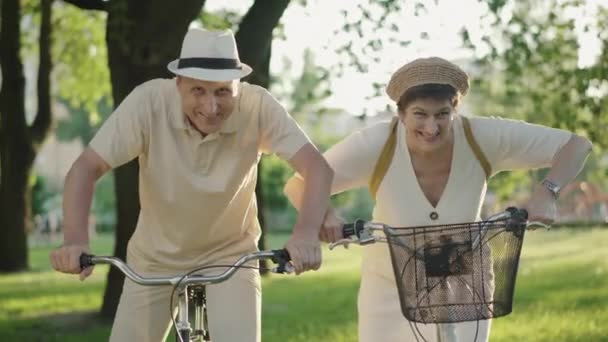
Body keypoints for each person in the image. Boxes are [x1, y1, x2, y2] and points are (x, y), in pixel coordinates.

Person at [49, 28, 333, 342]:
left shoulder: (258, 106)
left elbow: (316, 168)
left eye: (223, 92)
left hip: (231, 255)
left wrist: (305, 233)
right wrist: (75, 240)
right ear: (178, 84)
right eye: (198, 90)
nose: (211, 107)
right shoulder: (148, 102)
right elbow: (85, 168)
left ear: (238, 86)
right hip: (154, 260)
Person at [284, 57, 592, 341]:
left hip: (464, 287)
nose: (431, 128)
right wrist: (325, 216)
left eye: (442, 114)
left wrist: (547, 192)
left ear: (455, 109)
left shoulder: (482, 136)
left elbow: (576, 146)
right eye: (420, 115)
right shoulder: (376, 144)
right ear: (401, 114)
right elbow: (300, 185)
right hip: (390, 287)